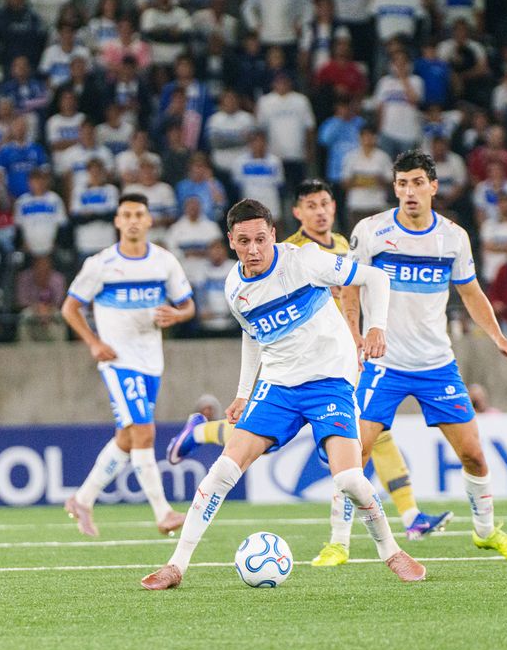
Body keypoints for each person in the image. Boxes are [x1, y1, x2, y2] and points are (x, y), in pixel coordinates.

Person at [142, 198, 425, 590]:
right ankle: (176, 565)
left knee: (349, 479)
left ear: (273, 235)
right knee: (223, 470)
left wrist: (376, 327)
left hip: (329, 381)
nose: (253, 249)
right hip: (277, 386)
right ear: (230, 241)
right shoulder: (234, 286)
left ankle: (391, 551)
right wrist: (243, 393)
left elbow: (376, 279)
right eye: (244, 241)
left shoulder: (305, 261)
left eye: (261, 239)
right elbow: (252, 334)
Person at [345, 149, 507, 562]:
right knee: (354, 454)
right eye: (402, 184)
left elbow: (471, 292)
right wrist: (354, 336)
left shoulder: (453, 238)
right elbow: (350, 288)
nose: (409, 192)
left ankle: (485, 532)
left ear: (433, 186)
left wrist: (498, 338)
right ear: (395, 188)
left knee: (473, 455)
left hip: (436, 365)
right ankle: (340, 543)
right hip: (384, 363)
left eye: (417, 183)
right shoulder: (371, 231)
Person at [60, 193, 196, 539]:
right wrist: (94, 343)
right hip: (118, 360)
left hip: (151, 360)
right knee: (144, 432)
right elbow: (70, 308)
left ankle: (82, 499)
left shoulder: (164, 261)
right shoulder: (100, 264)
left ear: (149, 220)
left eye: (139, 214)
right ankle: (163, 512)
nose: (133, 220)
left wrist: (177, 315)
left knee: (126, 437)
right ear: (117, 221)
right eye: (127, 215)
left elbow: (188, 306)